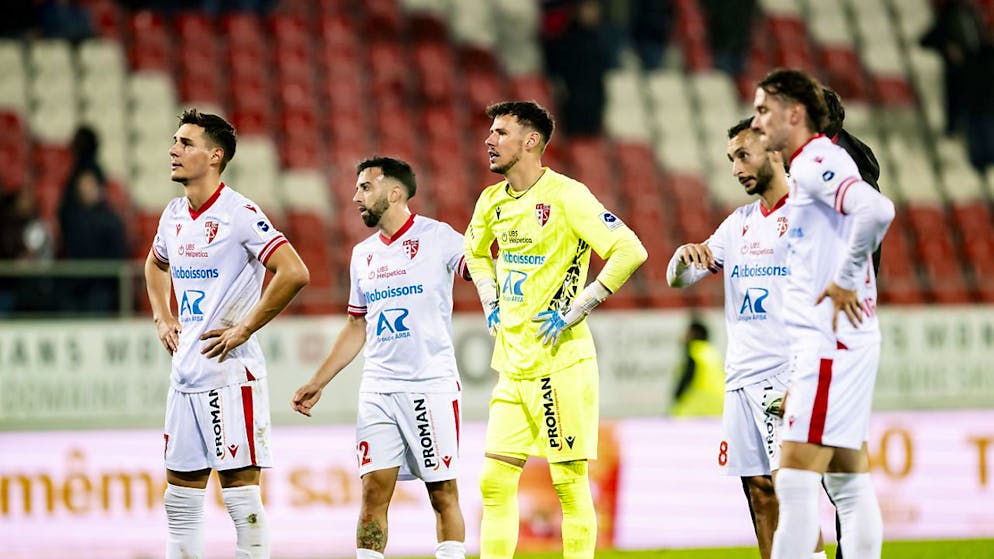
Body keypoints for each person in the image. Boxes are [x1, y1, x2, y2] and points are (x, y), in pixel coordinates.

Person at [464, 100, 647, 559]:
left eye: (501, 132)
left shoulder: (567, 195)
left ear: (530, 142)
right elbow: (475, 252)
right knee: (494, 481)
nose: (489, 140)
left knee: (568, 483)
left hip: (560, 361)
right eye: (490, 132)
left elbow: (630, 249)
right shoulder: (491, 200)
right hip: (513, 363)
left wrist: (579, 307)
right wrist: (490, 298)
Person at [144, 108, 309, 559]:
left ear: (215, 156)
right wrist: (163, 315)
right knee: (179, 501)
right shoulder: (174, 214)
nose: (174, 149)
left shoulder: (240, 213)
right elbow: (155, 263)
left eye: (186, 143)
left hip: (230, 377)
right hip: (185, 376)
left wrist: (245, 327)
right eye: (175, 140)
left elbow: (294, 271)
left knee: (242, 502)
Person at [667, 118, 831, 559]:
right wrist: (684, 256)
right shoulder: (737, 224)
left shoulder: (808, 213)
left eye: (743, 155)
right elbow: (680, 279)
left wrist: (807, 375)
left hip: (786, 371)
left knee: (793, 490)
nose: (736, 168)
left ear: (775, 152)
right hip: (741, 377)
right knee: (758, 491)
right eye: (730, 160)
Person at [291, 157, 468, 559]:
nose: (355, 197)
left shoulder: (439, 237)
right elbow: (357, 326)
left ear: (394, 192)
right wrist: (318, 380)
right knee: (372, 492)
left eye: (365, 188)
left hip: (430, 385)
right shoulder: (362, 255)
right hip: (379, 388)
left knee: (442, 492)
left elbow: (480, 269)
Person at [751, 68, 895, 559]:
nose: (756, 119)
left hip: (830, 345)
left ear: (794, 114)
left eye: (763, 110)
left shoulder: (815, 161)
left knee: (793, 481)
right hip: (842, 340)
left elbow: (876, 210)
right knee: (849, 484)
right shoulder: (818, 160)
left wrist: (848, 277)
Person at [58, 169, 128, 314]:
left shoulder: (110, 220)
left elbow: (118, 253)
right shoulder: (72, 217)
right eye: (82, 185)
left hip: (100, 286)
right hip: (74, 285)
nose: (85, 189)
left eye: (89, 185)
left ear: (98, 188)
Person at [669, 319, 724, 418]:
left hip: (699, 409)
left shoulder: (694, 352)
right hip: (721, 408)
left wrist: (676, 399)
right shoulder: (712, 352)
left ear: (694, 334)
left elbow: (686, 379)